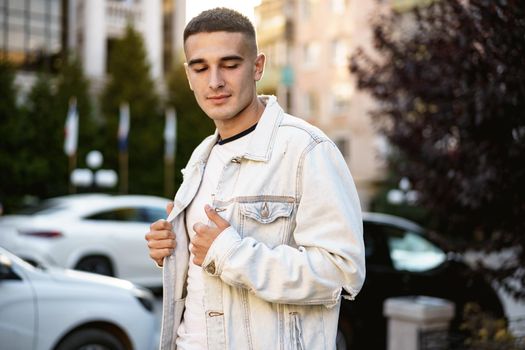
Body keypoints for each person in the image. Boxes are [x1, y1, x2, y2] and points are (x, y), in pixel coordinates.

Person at [145, 7, 365, 349]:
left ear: (258, 67)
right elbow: (203, 274)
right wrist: (173, 248)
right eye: (200, 68)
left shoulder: (307, 149)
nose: (214, 81)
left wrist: (231, 254)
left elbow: (342, 273)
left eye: (230, 65)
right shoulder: (201, 157)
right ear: (189, 76)